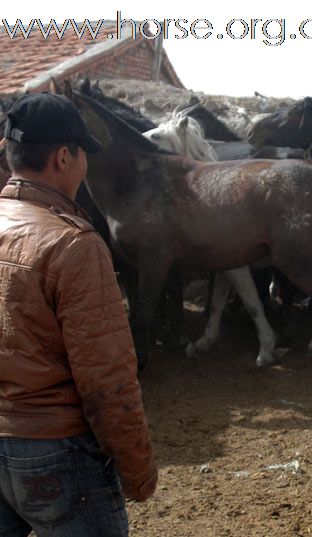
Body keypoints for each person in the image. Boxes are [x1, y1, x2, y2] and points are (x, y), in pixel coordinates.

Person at [0, 93, 157, 536]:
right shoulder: (73, 245)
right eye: (83, 153)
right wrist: (137, 468)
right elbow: (107, 378)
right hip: (55, 449)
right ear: (64, 157)